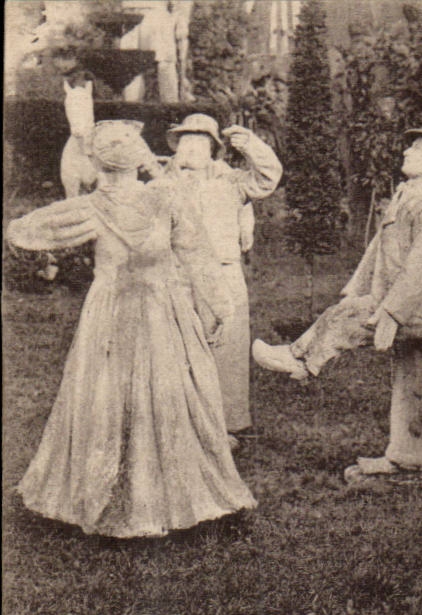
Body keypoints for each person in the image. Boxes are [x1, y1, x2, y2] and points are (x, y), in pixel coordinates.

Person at [6, 120, 255, 537]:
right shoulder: (166, 199)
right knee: (168, 391)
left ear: (97, 164)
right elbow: (197, 257)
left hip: (111, 311)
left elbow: (23, 231)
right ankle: (169, 493)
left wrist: (48, 253)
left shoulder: (90, 208)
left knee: (107, 393)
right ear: (140, 158)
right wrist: (221, 309)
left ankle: (112, 489)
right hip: (162, 307)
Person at [253, 117, 422, 485]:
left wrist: (392, 314)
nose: (405, 151)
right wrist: (357, 287)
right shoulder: (408, 198)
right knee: (414, 384)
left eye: (415, 148)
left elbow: (421, 266)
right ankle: (409, 459)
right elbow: (376, 251)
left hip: (421, 310)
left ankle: (301, 359)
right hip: (415, 308)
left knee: (349, 317)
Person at [159, 112, 282, 440]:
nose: (192, 149)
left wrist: (251, 145)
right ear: (176, 147)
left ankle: (230, 424)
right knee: (178, 345)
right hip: (178, 274)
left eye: (200, 142)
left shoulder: (230, 180)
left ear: (213, 148)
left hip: (223, 272)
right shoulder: (162, 181)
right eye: (186, 141)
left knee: (227, 346)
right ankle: (182, 423)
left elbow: (268, 178)